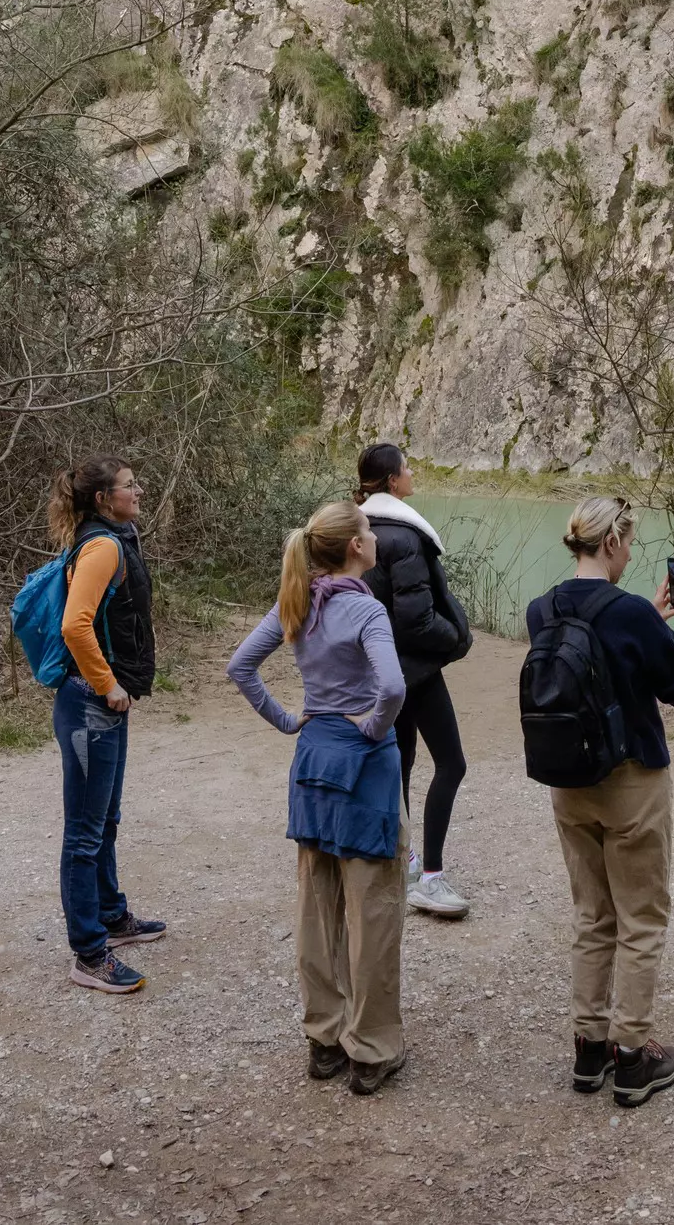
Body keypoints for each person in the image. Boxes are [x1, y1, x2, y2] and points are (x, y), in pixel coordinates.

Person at [226, 501, 409, 1095]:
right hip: (363, 763)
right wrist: (376, 726)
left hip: (312, 762)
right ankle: (372, 1047)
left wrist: (287, 721)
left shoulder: (297, 602)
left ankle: (323, 1037)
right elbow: (393, 687)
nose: (375, 537)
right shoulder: (365, 609)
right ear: (355, 547)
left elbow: (242, 666)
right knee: (372, 907)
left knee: (316, 904)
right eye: (368, 530)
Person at [526, 497, 674, 1108]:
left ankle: (587, 1046)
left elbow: (596, 659)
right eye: (628, 543)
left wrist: (647, 618)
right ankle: (632, 1055)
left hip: (568, 784)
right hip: (631, 784)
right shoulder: (630, 613)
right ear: (609, 543)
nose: (630, 554)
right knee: (642, 918)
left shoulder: (541, 609)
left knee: (592, 916)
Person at [49, 454, 165, 996]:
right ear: (103, 499)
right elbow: (76, 625)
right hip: (91, 707)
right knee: (85, 832)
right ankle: (89, 954)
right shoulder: (102, 547)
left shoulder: (113, 539)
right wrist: (108, 685)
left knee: (106, 819)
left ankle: (113, 919)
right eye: (128, 485)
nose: (137, 491)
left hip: (101, 708)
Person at [357, 442, 474, 919]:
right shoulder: (403, 538)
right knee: (451, 763)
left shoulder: (358, 530)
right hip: (416, 672)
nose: (412, 474)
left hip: (378, 672)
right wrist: (457, 639)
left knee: (400, 767)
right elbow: (416, 621)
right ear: (391, 482)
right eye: (407, 469)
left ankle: (402, 864)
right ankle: (430, 877)